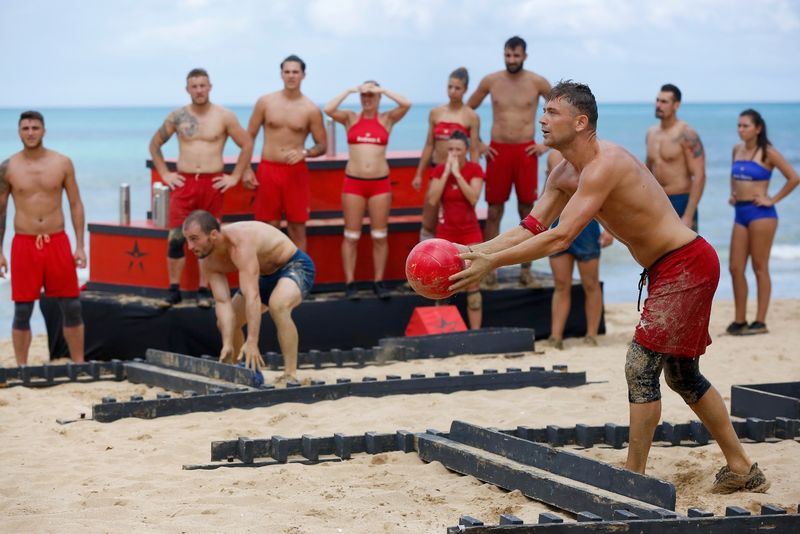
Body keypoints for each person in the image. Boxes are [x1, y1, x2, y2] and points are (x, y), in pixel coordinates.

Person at [451, 81, 769, 493]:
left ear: (580, 122)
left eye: (552, 113)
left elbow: (560, 237)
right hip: (668, 268)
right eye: (543, 111)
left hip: (687, 264)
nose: (542, 120)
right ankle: (742, 467)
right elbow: (530, 227)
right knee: (682, 375)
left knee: (641, 366)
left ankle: (633, 479)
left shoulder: (605, 164)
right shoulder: (563, 172)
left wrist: (492, 262)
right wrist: (472, 252)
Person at [149, 68, 253, 307]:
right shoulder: (177, 116)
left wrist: (235, 176)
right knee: (176, 237)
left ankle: (204, 291)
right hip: (184, 183)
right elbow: (154, 145)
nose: (199, 90)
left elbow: (246, 144)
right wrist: (165, 173)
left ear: (210, 87)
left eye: (202, 86)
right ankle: (174, 290)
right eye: (194, 86)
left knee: (209, 239)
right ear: (187, 89)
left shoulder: (224, 116)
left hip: (211, 183)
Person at [182, 210, 315, 381]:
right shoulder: (207, 260)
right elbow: (222, 302)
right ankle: (239, 369)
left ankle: (290, 374)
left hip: (294, 265)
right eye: (187, 240)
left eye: (194, 239)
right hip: (262, 275)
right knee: (229, 323)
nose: (190, 247)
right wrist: (227, 343)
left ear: (213, 235)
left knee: (278, 305)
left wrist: (252, 341)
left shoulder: (240, 243)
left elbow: (252, 296)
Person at [0, 111, 86, 365]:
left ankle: (79, 363)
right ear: (19, 132)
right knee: (23, 309)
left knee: (71, 305)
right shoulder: (8, 167)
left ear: (44, 131)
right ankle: (21, 367)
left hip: (57, 240)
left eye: (35, 128)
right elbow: (1, 211)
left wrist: (80, 246)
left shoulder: (62, 163)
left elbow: (75, 204)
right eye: (25, 128)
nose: (30, 133)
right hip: (24, 243)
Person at [467, 36, 551, 287]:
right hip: (497, 151)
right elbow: (467, 111)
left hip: (526, 152)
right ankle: (487, 270)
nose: (511, 60)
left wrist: (546, 144)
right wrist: (478, 143)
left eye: (516, 55)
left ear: (525, 56)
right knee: (494, 211)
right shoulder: (491, 81)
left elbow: (560, 109)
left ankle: (526, 270)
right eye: (508, 55)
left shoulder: (537, 82)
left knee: (528, 212)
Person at [323, 81, 410, 299]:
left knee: (379, 236)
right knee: (351, 236)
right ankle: (350, 284)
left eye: (372, 95)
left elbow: (406, 104)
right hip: (354, 183)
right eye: (364, 95)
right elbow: (328, 109)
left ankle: (378, 282)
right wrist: (350, 90)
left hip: (379, 184)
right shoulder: (351, 118)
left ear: (379, 97)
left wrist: (383, 90)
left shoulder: (386, 119)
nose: (367, 98)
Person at [726, 109, 799, 336]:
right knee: (735, 268)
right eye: (739, 125)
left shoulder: (767, 152)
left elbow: (794, 178)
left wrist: (772, 199)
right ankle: (740, 320)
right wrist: (733, 193)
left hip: (762, 214)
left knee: (759, 267)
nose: (740, 129)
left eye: (745, 126)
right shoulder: (737, 149)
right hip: (740, 212)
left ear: (757, 128)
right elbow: (734, 175)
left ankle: (760, 321)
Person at [245, 55, 327, 252]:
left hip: (295, 172)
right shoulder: (265, 102)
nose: (291, 76)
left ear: (303, 75)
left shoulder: (310, 109)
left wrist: (305, 152)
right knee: (268, 227)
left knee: (297, 228)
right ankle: (268, 271)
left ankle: (299, 271)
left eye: (295, 72)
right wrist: (246, 169)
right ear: (281, 74)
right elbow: (249, 137)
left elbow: (322, 145)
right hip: (268, 170)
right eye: (287, 72)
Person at [545, 150, 613, 349]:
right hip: (558, 219)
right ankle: (555, 336)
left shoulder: (592, 153)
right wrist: (537, 224)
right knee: (560, 283)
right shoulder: (553, 156)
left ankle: (591, 335)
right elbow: (547, 192)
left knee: (590, 283)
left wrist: (610, 229)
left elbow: (608, 191)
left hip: (587, 222)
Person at [412, 67, 480, 241]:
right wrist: (419, 173)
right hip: (438, 171)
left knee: (458, 216)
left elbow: (473, 149)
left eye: (457, 88)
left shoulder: (471, 116)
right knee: (429, 218)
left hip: (459, 173)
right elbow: (429, 144)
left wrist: (474, 176)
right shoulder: (436, 113)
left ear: (465, 90)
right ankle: (427, 253)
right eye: (450, 87)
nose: (452, 91)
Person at [426, 131, 484, 328]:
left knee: (473, 287)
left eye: (458, 149)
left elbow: (473, 198)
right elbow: (433, 199)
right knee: (442, 285)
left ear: (466, 150)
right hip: (446, 234)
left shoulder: (474, 169)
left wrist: (457, 174)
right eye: (450, 149)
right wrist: (446, 173)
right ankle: (442, 333)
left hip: (470, 232)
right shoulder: (439, 170)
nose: (454, 153)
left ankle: (475, 333)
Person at [645, 84, 705, 231]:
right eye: (657, 100)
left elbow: (699, 176)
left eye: (664, 102)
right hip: (658, 201)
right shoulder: (651, 133)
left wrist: (688, 215)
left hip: (680, 201)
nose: (658, 105)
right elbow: (647, 172)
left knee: (685, 247)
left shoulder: (686, 134)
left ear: (676, 105)